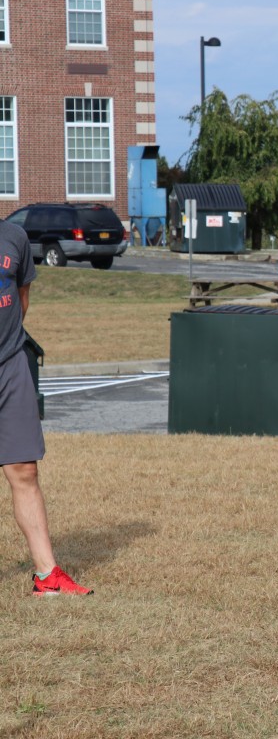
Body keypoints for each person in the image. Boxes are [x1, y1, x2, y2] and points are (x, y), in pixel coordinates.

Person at [0, 220, 91, 596]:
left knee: (24, 468)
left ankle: (47, 574)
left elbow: (22, 300)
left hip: (9, 364)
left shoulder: (14, 236)